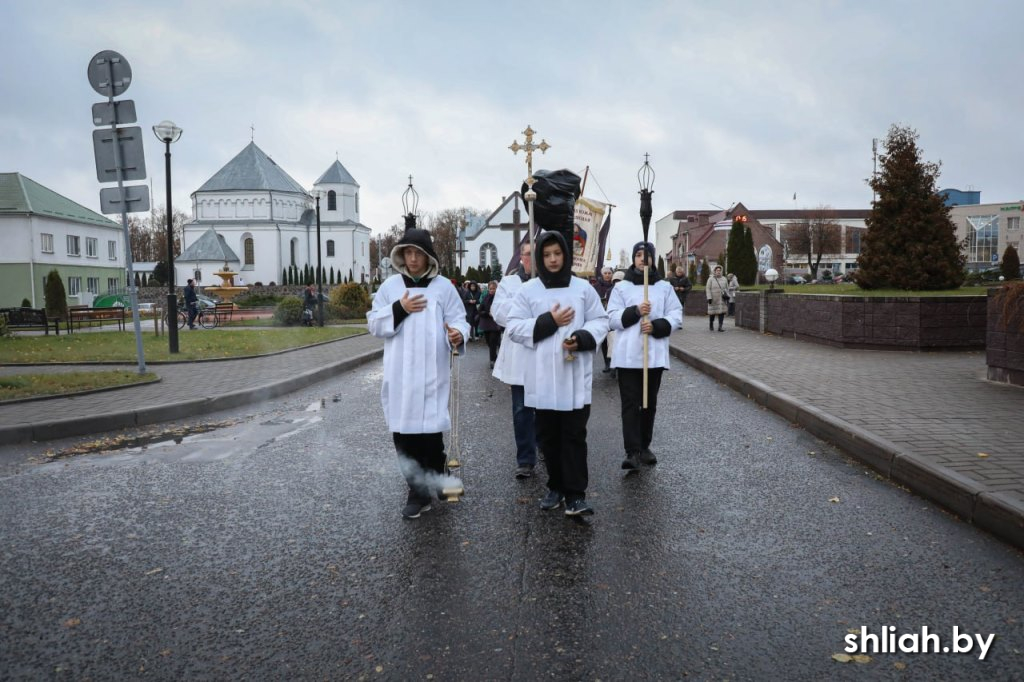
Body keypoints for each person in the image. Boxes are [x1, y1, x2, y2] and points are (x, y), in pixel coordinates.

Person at [366, 228, 469, 519]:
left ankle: (437, 475)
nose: (412, 259)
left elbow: (459, 318)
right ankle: (417, 491)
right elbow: (374, 323)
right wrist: (400, 308)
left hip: (432, 371)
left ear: (428, 256)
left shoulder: (443, 288)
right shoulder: (390, 287)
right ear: (400, 255)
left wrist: (458, 333)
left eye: (418, 253)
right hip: (400, 374)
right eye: (407, 253)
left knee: (430, 434)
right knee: (405, 436)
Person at [506, 232, 608, 516]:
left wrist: (583, 336)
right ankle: (556, 486)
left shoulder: (583, 288)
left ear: (565, 255)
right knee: (548, 437)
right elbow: (513, 327)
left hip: (574, 375)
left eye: (557, 254)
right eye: (547, 254)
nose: (552, 259)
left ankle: (576, 494)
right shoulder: (528, 291)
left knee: (574, 436)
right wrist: (548, 322)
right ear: (540, 257)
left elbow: (601, 320)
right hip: (541, 377)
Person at [607, 242, 683, 470]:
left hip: (653, 356)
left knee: (649, 403)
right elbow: (611, 318)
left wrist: (658, 326)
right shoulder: (622, 288)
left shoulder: (664, 287)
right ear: (633, 259)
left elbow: (676, 315)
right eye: (638, 255)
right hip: (628, 356)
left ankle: (645, 445)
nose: (643, 259)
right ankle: (631, 450)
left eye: (647, 255)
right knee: (630, 404)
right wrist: (636, 311)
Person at [492, 241, 539, 479]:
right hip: (518, 355)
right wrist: (526, 300)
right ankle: (525, 459)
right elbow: (499, 313)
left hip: (542, 355)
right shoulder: (509, 283)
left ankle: (543, 448)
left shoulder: (548, 284)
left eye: (535, 254)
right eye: (527, 254)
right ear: (521, 257)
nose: (531, 258)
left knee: (544, 408)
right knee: (521, 410)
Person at [592, 266, 615, 373]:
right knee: (605, 340)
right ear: (602, 274)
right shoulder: (596, 286)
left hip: (612, 316)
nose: (607, 275)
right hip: (601, 316)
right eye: (605, 273)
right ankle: (607, 362)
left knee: (614, 339)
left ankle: (614, 362)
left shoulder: (615, 285)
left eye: (609, 273)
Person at [477, 280, 502, 368]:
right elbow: (480, 310)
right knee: (488, 342)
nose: (492, 290)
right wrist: (487, 313)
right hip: (486, 324)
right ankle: (496, 357)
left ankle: (492, 360)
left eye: (493, 289)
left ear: (497, 289)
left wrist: (495, 313)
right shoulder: (486, 298)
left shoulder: (500, 298)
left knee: (492, 342)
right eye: (490, 289)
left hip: (496, 325)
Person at [706, 265, 729, 332]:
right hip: (713, 299)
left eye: (720, 270)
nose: (718, 272)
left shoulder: (724, 279)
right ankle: (711, 324)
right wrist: (709, 297)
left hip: (721, 299)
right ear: (715, 271)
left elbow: (727, 288)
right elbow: (708, 288)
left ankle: (720, 327)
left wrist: (726, 295)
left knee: (721, 313)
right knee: (712, 313)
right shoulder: (710, 279)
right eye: (717, 270)